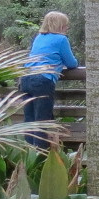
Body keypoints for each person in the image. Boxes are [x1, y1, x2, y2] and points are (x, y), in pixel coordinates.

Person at [21, 11, 78, 147]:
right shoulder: (61, 39)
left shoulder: (39, 37)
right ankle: (40, 155)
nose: (67, 28)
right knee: (42, 121)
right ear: (60, 26)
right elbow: (71, 63)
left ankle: (28, 153)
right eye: (66, 25)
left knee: (30, 119)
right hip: (43, 79)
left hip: (26, 78)